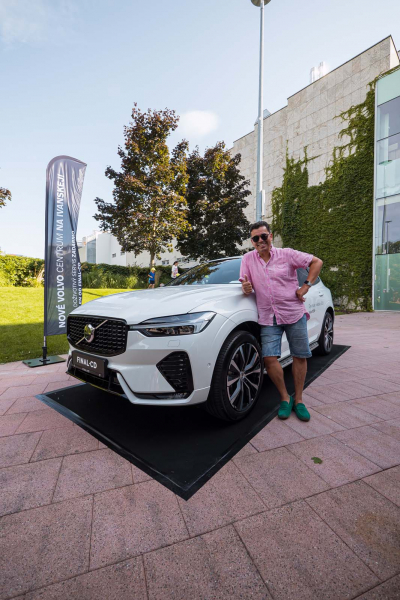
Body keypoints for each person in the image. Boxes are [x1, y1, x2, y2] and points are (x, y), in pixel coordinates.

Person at [240, 221, 323, 422]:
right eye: (256, 238)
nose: (260, 240)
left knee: (299, 356)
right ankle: (285, 398)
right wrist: (245, 287)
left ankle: (299, 400)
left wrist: (305, 286)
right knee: (269, 358)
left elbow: (317, 262)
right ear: (252, 241)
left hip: (293, 312)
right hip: (268, 316)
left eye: (264, 236)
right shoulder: (247, 259)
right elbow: (244, 282)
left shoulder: (287, 254)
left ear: (270, 236)